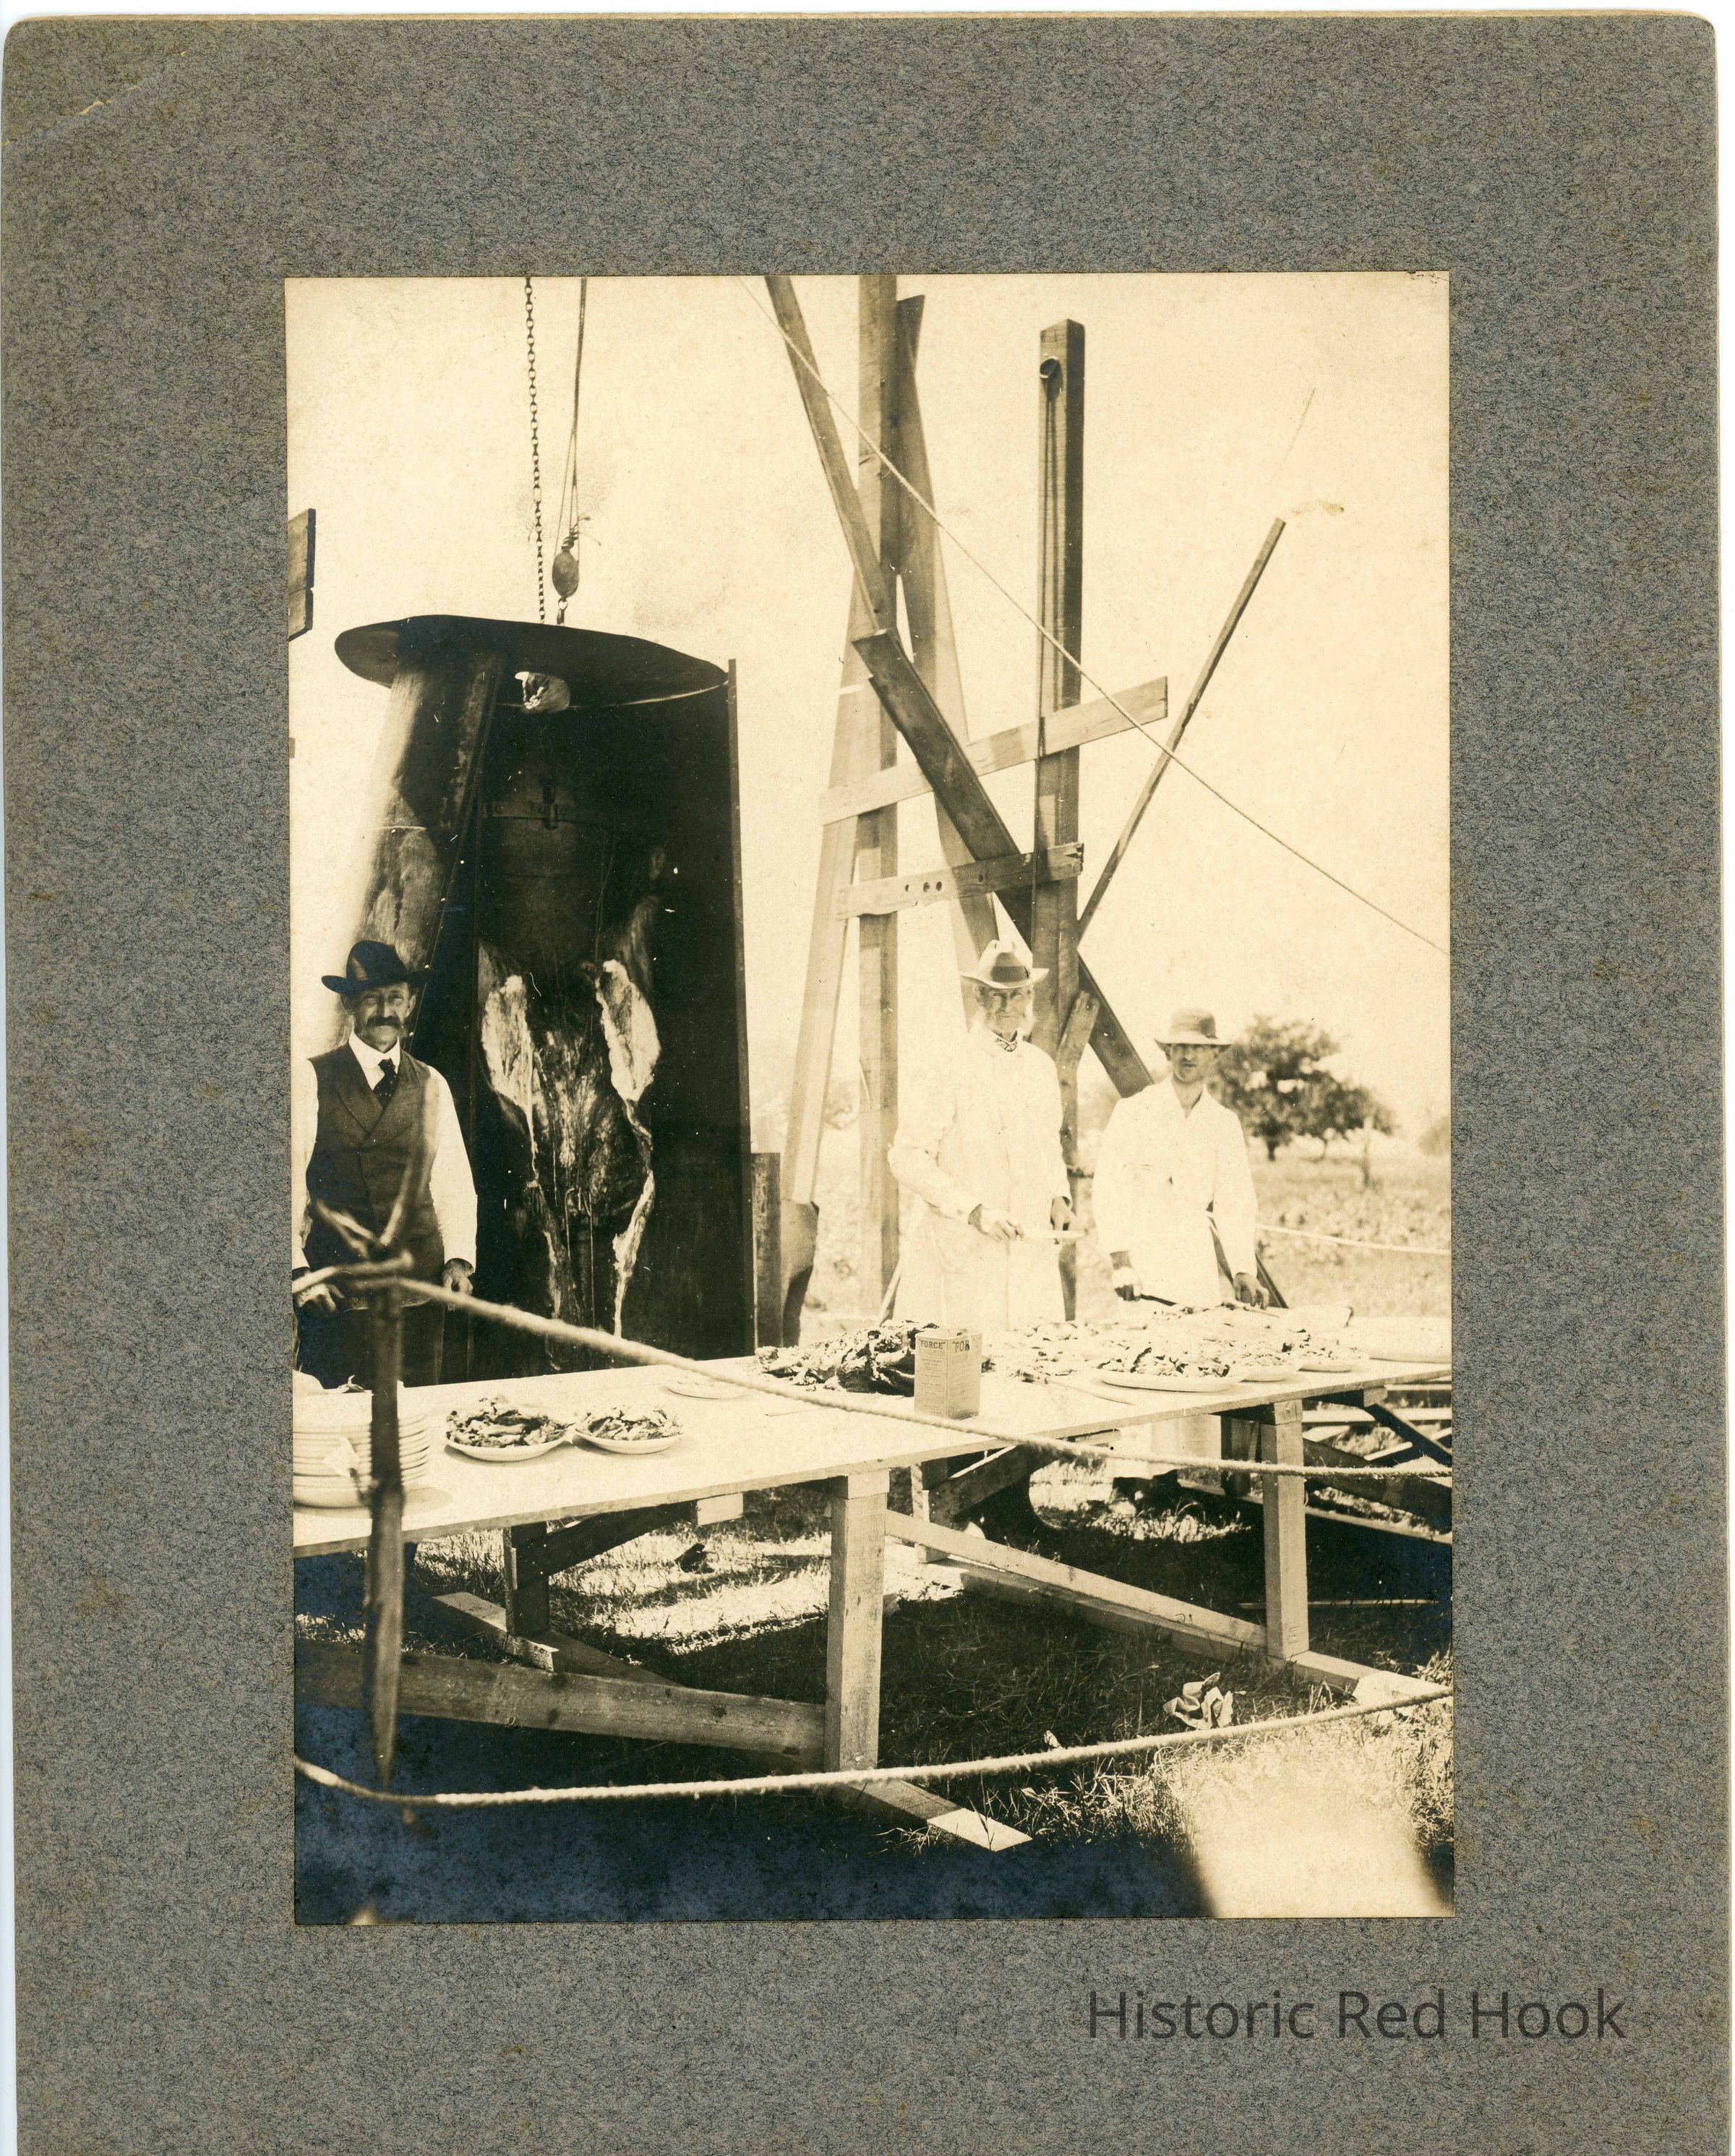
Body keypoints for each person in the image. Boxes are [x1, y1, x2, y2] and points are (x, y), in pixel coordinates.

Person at [293, 940, 478, 1388]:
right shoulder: (310, 1078)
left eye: (395, 998)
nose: (384, 1012)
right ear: (349, 1004)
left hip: (420, 1292)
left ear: (409, 1004)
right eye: (371, 999)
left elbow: (453, 1183)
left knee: (420, 1417)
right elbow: (284, 1185)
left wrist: (458, 1261)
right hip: (340, 1294)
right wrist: (298, 1272)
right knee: (342, 1416)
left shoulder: (432, 1083)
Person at [888, 941, 1074, 1332]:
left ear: (1030, 997)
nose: (1006, 1007)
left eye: (1016, 995)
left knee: (1033, 1357)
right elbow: (906, 1157)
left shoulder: (1040, 1068)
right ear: (978, 995)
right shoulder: (949, 1063)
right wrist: (974, 1211)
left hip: (1027, 1252)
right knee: (965, 1360)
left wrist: (1059, 1197)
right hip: (962, 1248)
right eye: (996, 995)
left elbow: (1048, 1145)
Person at [1092, 1007, 1265, 1309]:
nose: (1188, 1055)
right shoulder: (1135, 1111)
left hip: (1195, 1263)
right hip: (1143, 1262)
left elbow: (1235, 1201)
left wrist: (1242, 1270)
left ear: (1215, 1054)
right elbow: (1110, 1189)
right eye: (1181, 1046)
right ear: (1168, 1052)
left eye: (1199, 1047)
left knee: (1198, 1336)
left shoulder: (1223, 1123)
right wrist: (1121, 1262)